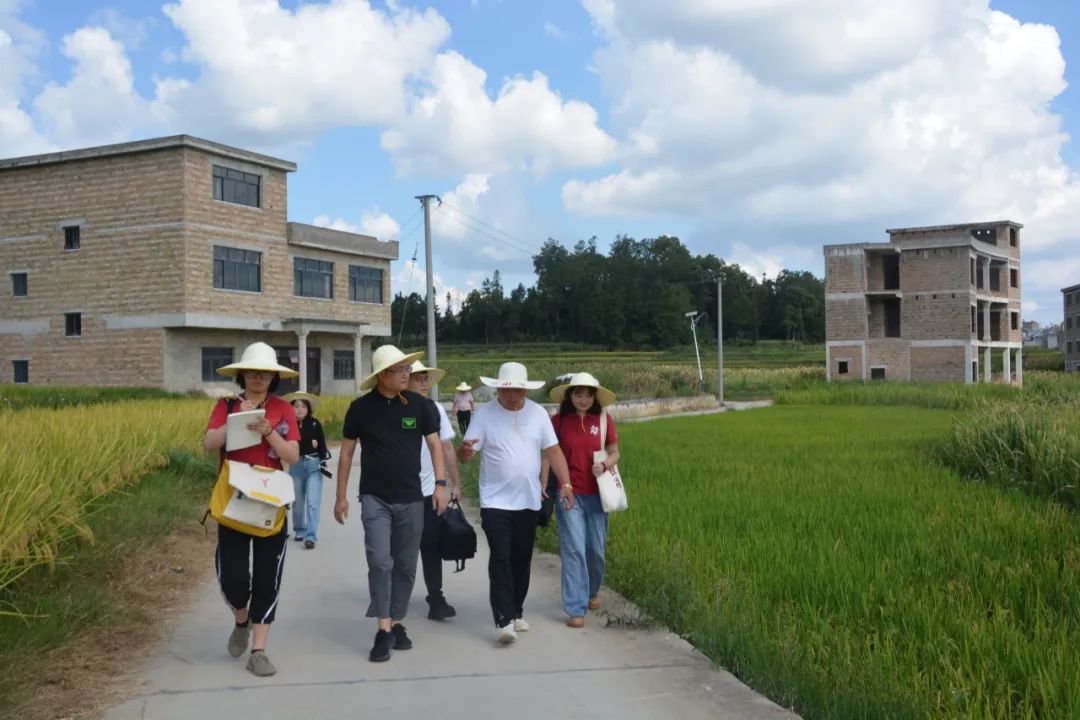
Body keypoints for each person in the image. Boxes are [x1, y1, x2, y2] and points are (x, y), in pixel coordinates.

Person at [334, 345, 449, 663]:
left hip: (412, 497)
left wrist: (440, 485)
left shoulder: (420, 406)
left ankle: (397, 622)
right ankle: (383, 629)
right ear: (383, 374)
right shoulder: (360, 409)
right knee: (380, 562)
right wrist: (340, 496)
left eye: (408, 369)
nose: (407, 374)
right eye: (401, 369)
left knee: (406, 566)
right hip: (375, 497)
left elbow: (435, 445)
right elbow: (346, 453)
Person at [203, 342, 300, 677]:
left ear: (273, 377)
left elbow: (292, 455)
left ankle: (258, 651)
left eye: (265, 373)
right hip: (234, 502)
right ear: (242, 374)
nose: (259, 377)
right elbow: (209, 444)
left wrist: (268, 431)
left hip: (270, 503)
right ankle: (240, 619)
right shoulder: (226, 406)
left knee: (266, 578)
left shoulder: (284, 409)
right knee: (233, 579)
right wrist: (238, 420)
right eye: (253, 372)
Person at [458, 362, 573, 644]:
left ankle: (517, 610)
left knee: (521, 558)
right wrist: (465, 452)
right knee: (501, 556)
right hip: (495, 501)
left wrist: (567, 484)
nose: (512, 395)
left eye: (518, 390)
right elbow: (466, 455)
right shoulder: (484, 415)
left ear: (526, 390)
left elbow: (554, 451)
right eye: (506, 390)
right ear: (498, 389)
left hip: (528, 500)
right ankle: (503, 619)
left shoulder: (538, 414)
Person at [542, 373, 620, 629]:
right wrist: (543, 481)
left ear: (595, 397)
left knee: (595, 550)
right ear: (570, 396)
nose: (583, 399)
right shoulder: (558, 421)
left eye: (588, 395)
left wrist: (605, 465)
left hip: (597, 494)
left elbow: (614, 452)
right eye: (578, 394)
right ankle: (575, 607)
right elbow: (549, 454)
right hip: (568, 494)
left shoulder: (604, 420)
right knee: (574, 548)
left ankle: (592, 591)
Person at [407, 361, 463, 620]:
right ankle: (395, 596)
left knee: (431, 544)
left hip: (430, 489)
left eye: (425, 378)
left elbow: (447, 448)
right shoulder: (393, 408)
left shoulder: (435, 409)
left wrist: (454, 483)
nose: (423, 383)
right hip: (400, 491)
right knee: (401, 548)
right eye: (417, 378)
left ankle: (436, 598)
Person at [284, 391, 330, 550]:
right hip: (296, 465)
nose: (299, 409)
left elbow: (322, 446)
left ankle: (311, 536)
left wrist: (323, 461)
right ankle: (300, 529)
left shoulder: (315, 424)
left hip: (314, 465)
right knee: (297, 501)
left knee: (313, 502)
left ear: (308, 409)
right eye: (296, 406)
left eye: (303, 406)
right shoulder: (287, 425)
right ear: (291, 408)